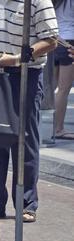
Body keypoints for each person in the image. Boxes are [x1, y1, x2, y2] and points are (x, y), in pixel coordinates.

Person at [0, 0, 59, 222]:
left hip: (27, 74)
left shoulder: (38, 2)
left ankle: (27, 203)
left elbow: (51, 39)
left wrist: (18, 58)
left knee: (25, 139)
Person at [53, 0, 74, 140]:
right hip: (69, 42)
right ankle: (58, 129)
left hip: (54, 42)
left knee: (55, 88)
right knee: (63, 89)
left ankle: (54, 128)